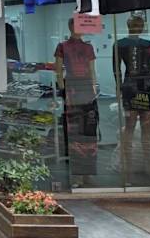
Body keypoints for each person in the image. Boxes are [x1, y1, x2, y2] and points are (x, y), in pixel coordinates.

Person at [114, 15, 150, 181]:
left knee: (146, 129)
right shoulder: (120, 44)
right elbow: (116, 69)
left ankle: (148, 168)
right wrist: (118, 88)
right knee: (130, 127)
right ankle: (127, 170)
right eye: (136, 24)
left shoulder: (148, 44)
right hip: (130, 87)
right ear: (129, 25)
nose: (139, 27)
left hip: (146, 87)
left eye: (140, 24)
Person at [55, 18, 98, 186]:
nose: (79, 28)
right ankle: (77, 174)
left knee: (89, 131)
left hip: (86, 90)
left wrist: (94, 90)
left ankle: (88, 172)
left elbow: (92, 71)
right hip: (72, 89)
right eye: (76, 25)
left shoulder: (88, 47)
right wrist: (62, 90)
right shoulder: (62, 46)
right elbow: (59, 72)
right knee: (74, 131)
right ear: (70, 26)